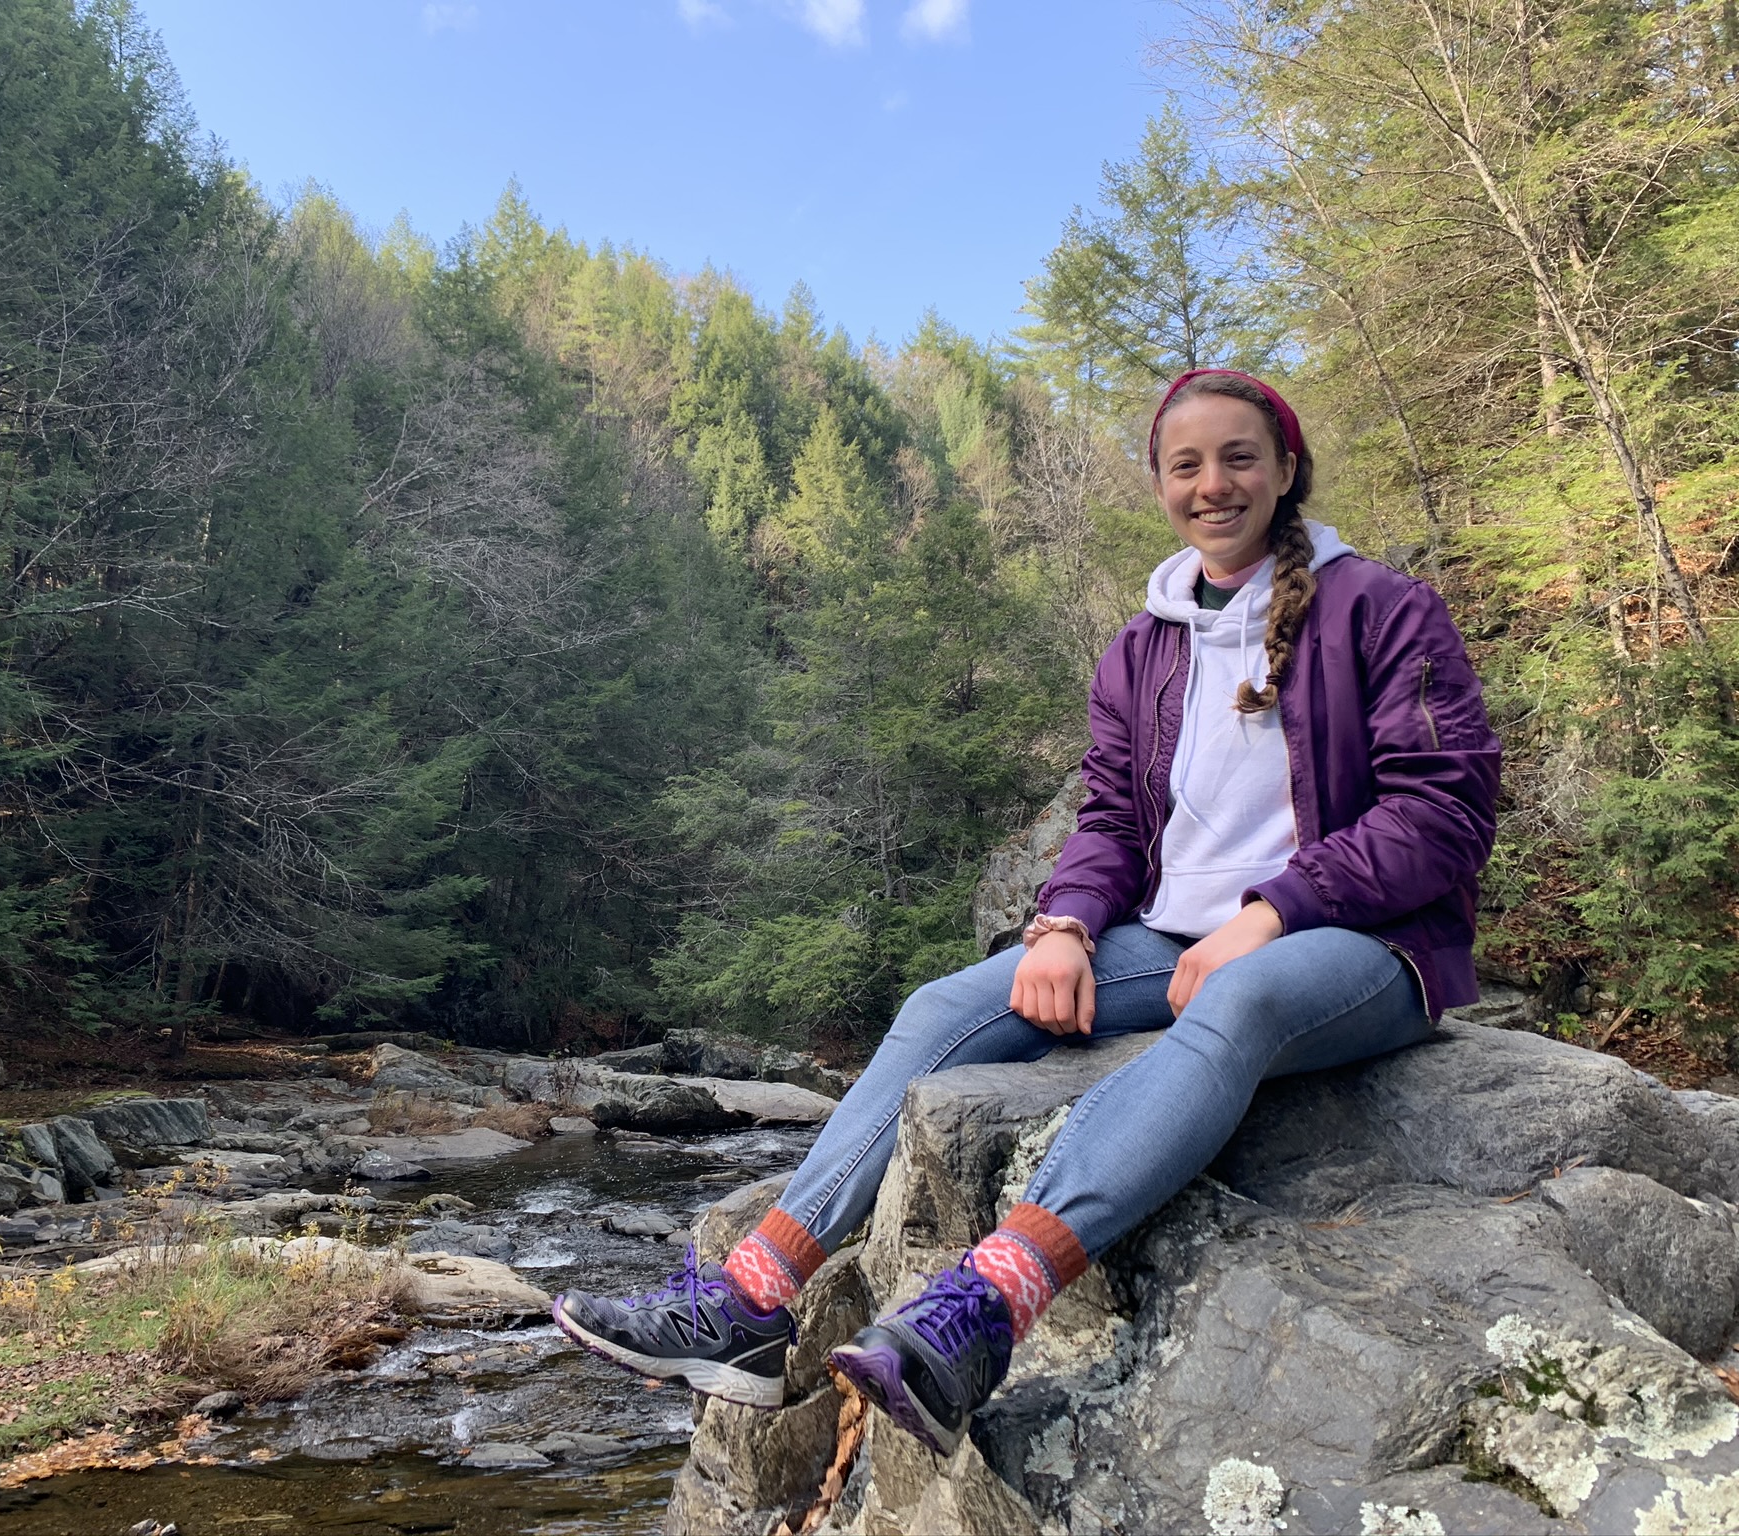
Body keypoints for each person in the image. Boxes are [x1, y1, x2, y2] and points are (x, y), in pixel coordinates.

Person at [551, 369, 1501, 1455]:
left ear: (1284, 469)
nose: (1212, 484)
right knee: (947, 1006)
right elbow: (1107, 821)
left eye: (1238, 457)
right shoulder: (1141, 648)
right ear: (1158, 483)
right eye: (1184, 465)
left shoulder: (1380, 609)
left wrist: (1274, 912)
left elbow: (1441, 813)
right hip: (1173, 935)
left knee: (1233, 1009)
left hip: (1364, 946)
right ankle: (751, 1305)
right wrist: (1062, 925)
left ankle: (984, 1310)